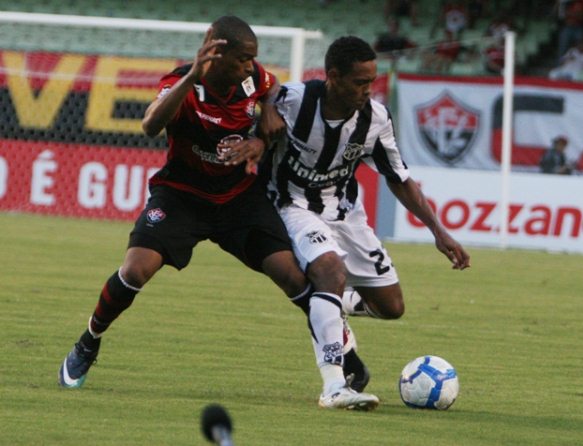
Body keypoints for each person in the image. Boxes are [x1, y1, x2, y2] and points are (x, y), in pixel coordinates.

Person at [57, 16, 376, 411]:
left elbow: (272, 87)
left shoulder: (252, 79)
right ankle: (89, 340)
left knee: (293, 276)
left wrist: (266, 118)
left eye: (252, 60)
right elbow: (151, 125)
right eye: (243, 59)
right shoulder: (180, 84)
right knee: (135, 271)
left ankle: (342, 353)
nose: (249, 66)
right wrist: (191, 75)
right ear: (218, 53)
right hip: (182, 196)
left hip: (238, 198)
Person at [259, 36, 470, 410]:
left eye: (370, 82)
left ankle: (329, 303)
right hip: (292, 206)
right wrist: (264, 107)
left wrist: (439, 231)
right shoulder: (294, 102)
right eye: (360, 82)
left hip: (345, 213)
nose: (366, 91)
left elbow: (399, 178)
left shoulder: (375, 119)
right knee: (328, 270)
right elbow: (257, 88)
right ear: (333, 77)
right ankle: (335, 385)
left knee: (391, 306)